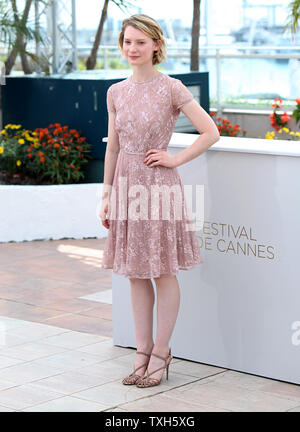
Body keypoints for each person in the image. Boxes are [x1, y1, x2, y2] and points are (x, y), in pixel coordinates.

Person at [99, 14, 220, 388]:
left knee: (163, 272)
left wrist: (175, 158)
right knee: (136, 274)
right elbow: (114, 147)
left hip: (160, 186)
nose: (132, 49)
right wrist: (106, 194)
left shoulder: (171, 88)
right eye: (127, 42)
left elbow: (210, 131)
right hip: (126, 185)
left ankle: (161, 353)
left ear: (155, 45)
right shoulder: (116, 92)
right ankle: (141, 350)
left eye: (139, 42)